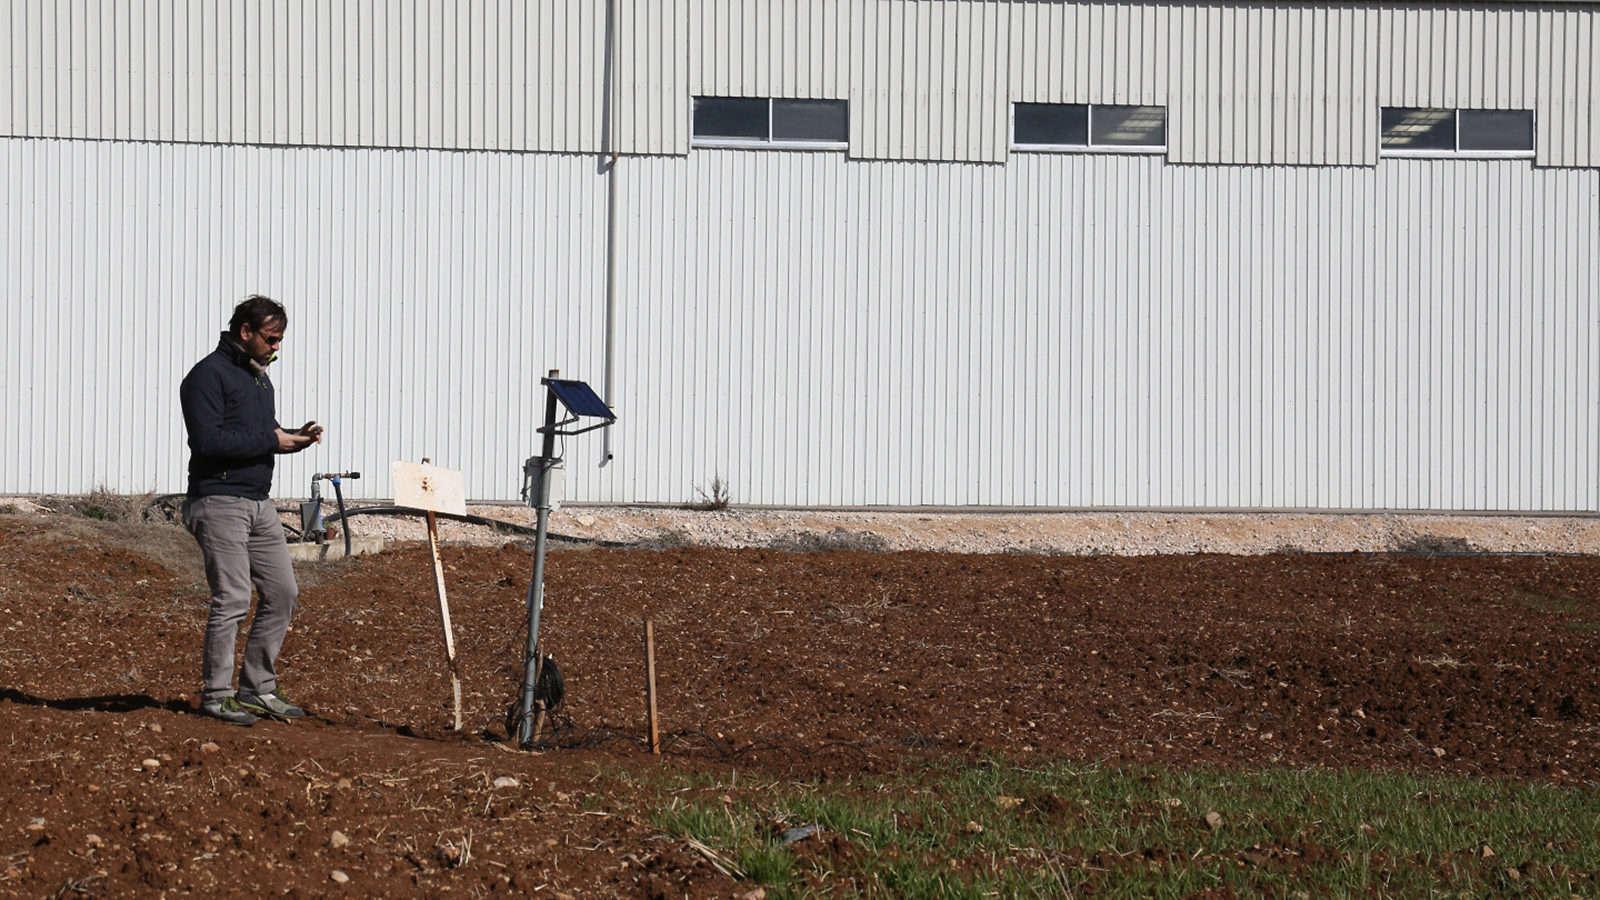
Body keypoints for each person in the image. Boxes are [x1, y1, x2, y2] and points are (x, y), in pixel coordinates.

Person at [179, 295, 323, 726]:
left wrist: (291, 437)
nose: (276, 347)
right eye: (271, 338)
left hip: (259, 503)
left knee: (283, 593)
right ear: (246, 331)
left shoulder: (260, 380)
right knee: (234, 598)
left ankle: (258, 688)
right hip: (219, 500)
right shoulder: (207, 376)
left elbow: (260, 433)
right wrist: (270, 442)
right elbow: (208, 442)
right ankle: (217, 694)